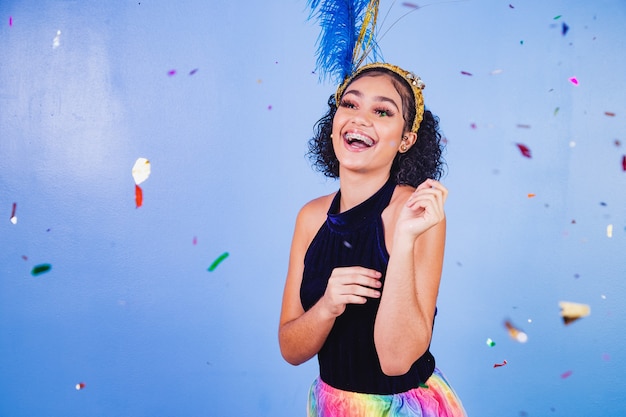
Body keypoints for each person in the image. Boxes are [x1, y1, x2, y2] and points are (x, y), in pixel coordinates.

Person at [278, 62, 467, 416]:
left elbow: (397, 360)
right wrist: (328, 306)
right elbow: (291, 349)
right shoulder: (310, 217)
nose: (360, 118)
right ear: (334, 125)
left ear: (406, 139)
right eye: (350, 104)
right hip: (330, 406)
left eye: (382, 111)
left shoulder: (417, 214)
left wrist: (406, 239)